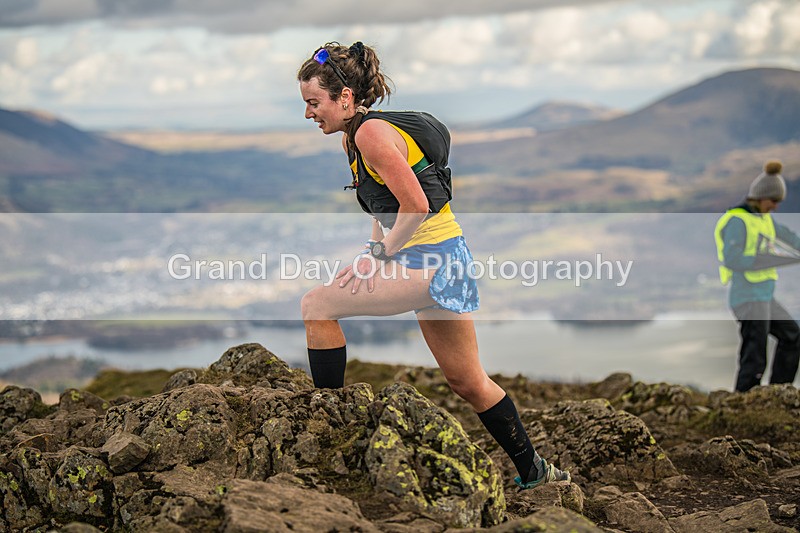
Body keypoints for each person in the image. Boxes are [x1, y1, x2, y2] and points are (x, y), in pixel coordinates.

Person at [296, 41, 570, 488]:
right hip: (447, 257)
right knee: (468, 381)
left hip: (431, 260)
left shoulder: (369, 134)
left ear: (344, 97)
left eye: (313, 103)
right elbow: (385, 211)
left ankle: (330, 430)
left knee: (317, 305)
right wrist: (372, 252)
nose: (309, 113)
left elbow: (417, 205)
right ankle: (538, 473)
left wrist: (379, 259)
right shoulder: (358, 134)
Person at [714, 160, 800, 392]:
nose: (775, 207)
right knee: (755, 357)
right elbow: (733, 259)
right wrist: (774, 260)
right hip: (748, 298)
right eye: (773, 201)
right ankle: (742, 404)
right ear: (761, 197)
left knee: (792, 337)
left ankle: (777, 394)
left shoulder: (764, 220)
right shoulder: (737, 221)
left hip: (764, 296)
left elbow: (789, 237)